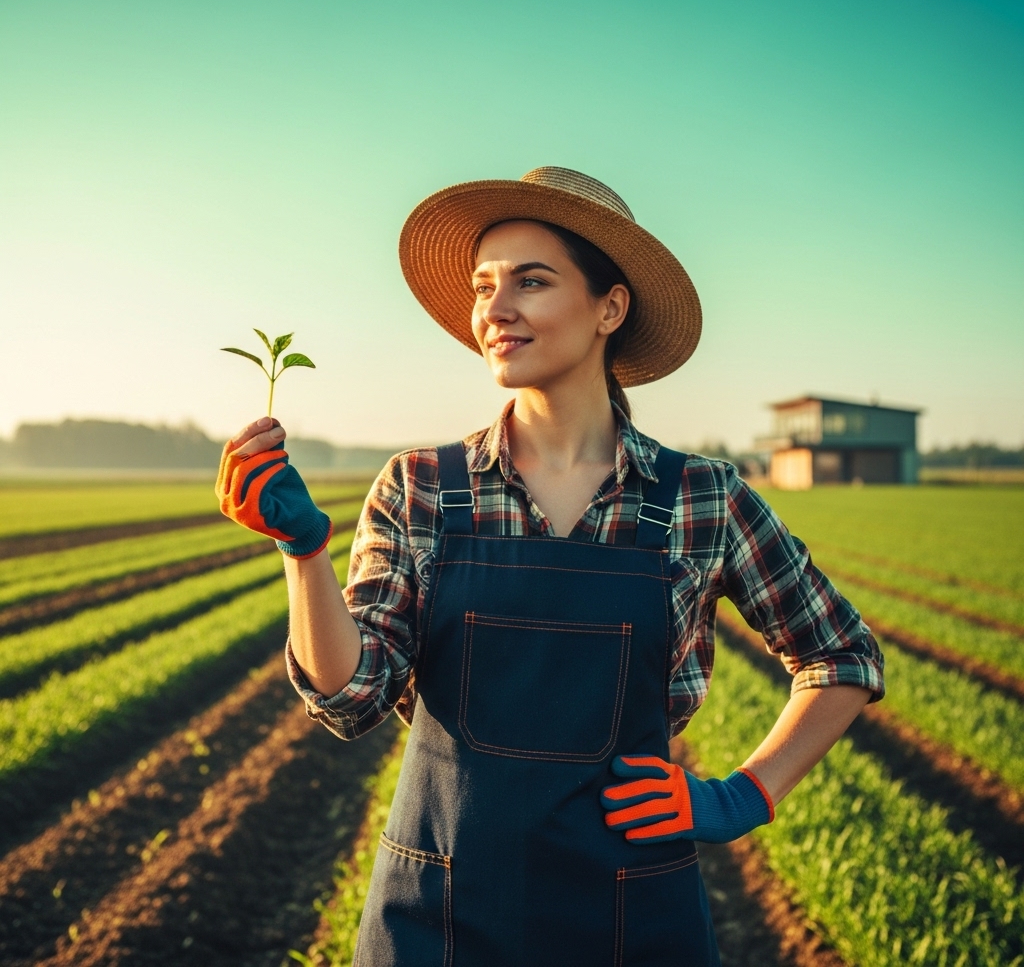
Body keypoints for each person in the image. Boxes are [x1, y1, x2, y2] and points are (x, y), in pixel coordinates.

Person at [216, 167, 885, 966]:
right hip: (439, 915)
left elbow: (841, 655)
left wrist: (743, 795)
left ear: (610, 307)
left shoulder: (700, 499)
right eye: (484, 285)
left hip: (632, 917)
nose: (495, 311)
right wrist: (304, 554)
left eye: (531, 282)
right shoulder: (422, 486)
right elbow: (352, 696)